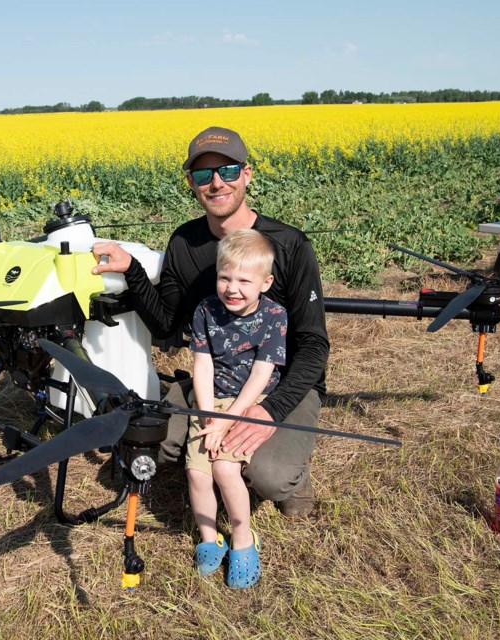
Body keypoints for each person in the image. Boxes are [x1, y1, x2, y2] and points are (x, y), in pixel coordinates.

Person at [92, 126, 329, 518]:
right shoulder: (185, 243)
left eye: (228, 171)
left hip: (279, 381)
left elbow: (314, 345)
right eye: (204, 175)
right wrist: (132, 271)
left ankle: (289, 475)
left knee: (270, 475)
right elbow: (166, 326)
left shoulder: (288, 246)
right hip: (213, 378)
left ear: (247, 174)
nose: (217, 183)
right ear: (191, 183)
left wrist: (270, 411)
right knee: (146, 442)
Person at [187, 228, 286, 587]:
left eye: (244, 280)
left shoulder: (275, 315)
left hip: (249, 401)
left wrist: (227, 420)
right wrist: (207, 415)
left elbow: (262, 372)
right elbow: (203, 365)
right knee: (198, 472)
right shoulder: (206, 311)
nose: (232, 288)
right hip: (209, 401)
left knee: (225, 471)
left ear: (265, 281)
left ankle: (244, 541)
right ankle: (210, 539)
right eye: (225, 277)